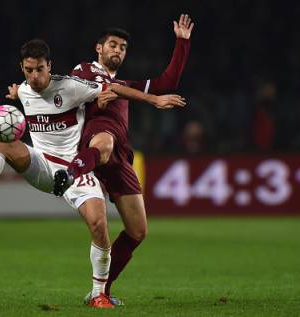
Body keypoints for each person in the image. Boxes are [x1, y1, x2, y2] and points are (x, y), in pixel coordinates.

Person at [0, 39, 186, 308]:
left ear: (50, 66)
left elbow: (115, 86)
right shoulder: (24, 90)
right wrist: (15, 93)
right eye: (29, 70)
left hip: (74, 170)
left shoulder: (70, 86)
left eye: (40, 69)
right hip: (41, 165)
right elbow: (22, 90)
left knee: (99, 223)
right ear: (22, 68)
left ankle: (98, 294)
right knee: (0, 140)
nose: (35, 77)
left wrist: (149, 99)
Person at [52, 14, 194, 304]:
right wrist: (151, 100)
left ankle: (101, 289)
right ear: (99, 48)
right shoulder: (85, 69)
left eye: (123, 47)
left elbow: (168, 81)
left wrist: (182, 43)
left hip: (121, 156)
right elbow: (108, 89)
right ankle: (71, 173)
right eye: (112, 45)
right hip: (94, 139)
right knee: (104, 141)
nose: (117, 50)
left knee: (138, 230)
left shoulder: (125, 84)